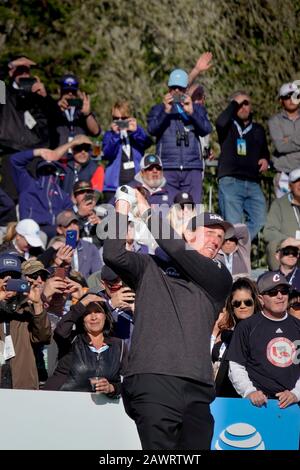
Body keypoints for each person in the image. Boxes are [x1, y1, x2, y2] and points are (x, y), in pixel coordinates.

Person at [103, 186, 233, 450]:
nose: (216, 241)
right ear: (188, 234)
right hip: (153, 379)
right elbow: (113, 254)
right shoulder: (150, 266)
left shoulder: (219, 275)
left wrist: (148, 212)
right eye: (209, 233)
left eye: (219, 238)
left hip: (197, 387)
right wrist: (122, 206)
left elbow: (178, 251)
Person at [227, 271, 300, 408]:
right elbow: (236, 366)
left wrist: (296, 393)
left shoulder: (297, 327)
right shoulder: (246, 327)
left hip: (293, 406)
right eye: (272, 292)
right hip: (259, 405)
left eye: (284, 291)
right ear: (261, 299)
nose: (280, 296)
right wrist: (250, 392)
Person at [147, 69, 212, 203]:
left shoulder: (197, 109)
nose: (176, 91)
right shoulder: (158, 109)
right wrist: (165, 111)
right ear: (168, 88)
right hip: (167, 167)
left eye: (180, 88)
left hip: (192, 167)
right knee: (168, 212)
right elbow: (152, 129)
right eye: (173, 88)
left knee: (194, 212)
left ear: (186, 89)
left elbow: (206, 129)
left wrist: (192, 112)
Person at [216, 90, 269, 240]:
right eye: (239, 104)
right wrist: (234, 102)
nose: (243, 107)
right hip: (230, 182)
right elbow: (219, 122)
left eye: (246, 103)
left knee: (260, 220)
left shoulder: (258, 129)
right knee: (233, 225)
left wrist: (265, 158)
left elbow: (264, 151)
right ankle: (232, 255)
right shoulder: (227, 126)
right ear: (233, 106)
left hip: (253, 183)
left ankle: (238, 245)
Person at [0, 253, 51, 389]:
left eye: (14, 277)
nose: (8, 281)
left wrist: (37, 304)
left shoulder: (27, 308)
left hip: (22, 383)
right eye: (3, 276)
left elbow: (43, 337)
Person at [58, 300, 127, 394]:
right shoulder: (72, 340)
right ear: (82, 319)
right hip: (65, 400)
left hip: (104, 404)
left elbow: (128, 381)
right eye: (87, 313)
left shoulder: (119, 345)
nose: (93, 317)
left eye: (98, 312)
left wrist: (112, 388)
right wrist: (83, 302)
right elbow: (60, 331)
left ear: (105, 316)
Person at [211, 277, 261, 397]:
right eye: (237, 303)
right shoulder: (226, 337)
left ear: (255, 302)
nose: (242, 306)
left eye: (247, 302)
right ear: (231, 306)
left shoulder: (264, 333)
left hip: (257, 400)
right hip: (225, 402)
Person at [102, 100, 152, 201]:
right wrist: (115, 136)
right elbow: (107, 154)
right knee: (114, 216)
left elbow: (147, 143)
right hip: (114, 187)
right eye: (116, 119)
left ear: (131, 118)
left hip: (137, 186)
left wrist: (135, 131)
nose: (120, 121)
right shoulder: (109, 135)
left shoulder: (137, 132)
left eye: (123, 118)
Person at [263, 168, 300, 269]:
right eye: (297, 181)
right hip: (289, 248)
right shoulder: (279, 204)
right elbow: (268, 232)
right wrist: (288, 240)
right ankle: (279, 280)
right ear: (290, 186)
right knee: (273, 246)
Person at [268, 82, 300, 197]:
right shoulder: (274, 121)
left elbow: (286, 144)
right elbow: (280, 147)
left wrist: (289, 139)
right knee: (284, 212)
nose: (292, 100)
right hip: (284, 176)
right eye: (287, 96)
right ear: (281, 101)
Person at [55, 73, 101, 146]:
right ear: (59, 91)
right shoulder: (52, 108)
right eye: (66, 91)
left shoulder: (81, 109)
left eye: (73, 91)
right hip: (59, 154)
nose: (70, 94)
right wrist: (56, 109)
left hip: (80, 154)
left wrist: (87, 115)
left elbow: (96, 132)